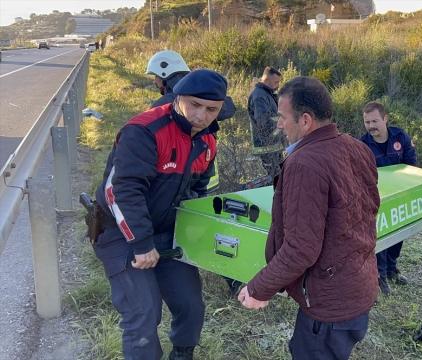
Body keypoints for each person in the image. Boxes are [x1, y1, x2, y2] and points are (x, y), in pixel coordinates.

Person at [92, 69, 233, 360]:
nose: (201, 116)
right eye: (194, 105)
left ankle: (182, 354)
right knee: (143, 312)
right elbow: (121, 191)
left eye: (211, 110)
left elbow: (199, 193)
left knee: (191, 305)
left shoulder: (207, 142)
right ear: (178, 97)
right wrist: (142, 244)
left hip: (167, 232)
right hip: (120, 232)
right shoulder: (145, 130)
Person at [238, 76, 380, 360]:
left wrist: (259, 288)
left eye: (282, 116)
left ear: (305, 121)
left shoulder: (305, 163)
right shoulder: (356, 147)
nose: (278, 124)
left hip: (329, 307)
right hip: (358, 286)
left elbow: (301, 248)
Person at [145, 50, 236, 195]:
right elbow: (230, 107)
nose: (154, 81)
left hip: (178, 180)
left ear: (164, 75)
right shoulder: (201, 95)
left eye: (156, 76)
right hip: (203, 174)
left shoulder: (172, 102)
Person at [359, 101, 416, 295]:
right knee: (380, 236)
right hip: (375, 199)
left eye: (375, 121)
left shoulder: (400, 136)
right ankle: (379, 276)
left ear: (385, 119)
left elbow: (411, 165)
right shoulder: (362, 144)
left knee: (398, 233)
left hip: (400, 195)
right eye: (367, 122)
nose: (371, 126)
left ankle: (392, 269)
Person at [248, 66, 284, 178]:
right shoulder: (259, 96)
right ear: (266, 80)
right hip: (266, 146)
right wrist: (282, 127)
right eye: (275, 82)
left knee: (281, 176)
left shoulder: (268, 94)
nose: (278, 85)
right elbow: (263, 122)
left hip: (274, 144)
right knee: (275, 178)